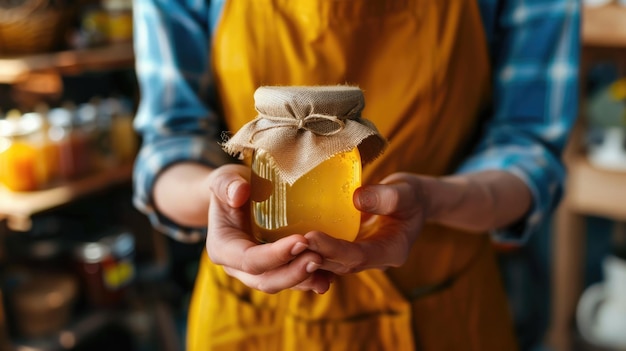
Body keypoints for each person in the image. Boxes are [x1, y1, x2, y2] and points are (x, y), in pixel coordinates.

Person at [131, 0, 580, 350]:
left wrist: (437, 199)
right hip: (253, 320)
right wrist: (217, 192)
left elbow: (528, 144)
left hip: (444, 306)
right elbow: (171, 142)